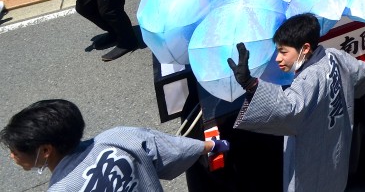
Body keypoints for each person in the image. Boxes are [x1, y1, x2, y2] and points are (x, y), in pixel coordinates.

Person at [232, 13, 365, 192]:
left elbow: (288, 110)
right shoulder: (334, 55)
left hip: (311, 159)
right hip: (336, 149)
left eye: (283, 52)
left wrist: (251, 84)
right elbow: (361, 72)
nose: (278, 58)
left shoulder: (308, 78)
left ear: (305, 48)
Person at [1, 99, 227, 192]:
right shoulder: (118, 137)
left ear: (46, 150)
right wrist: (211, 146)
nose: (12, 156)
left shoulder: (61, 189)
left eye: (15, 150)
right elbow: (173, 149)